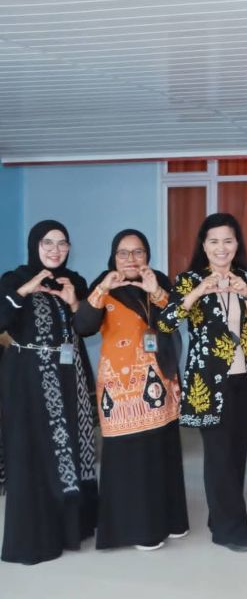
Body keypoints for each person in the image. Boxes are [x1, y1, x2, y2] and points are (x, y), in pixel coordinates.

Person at [74, 229, 189, 551]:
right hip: (120, 389)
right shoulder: (103, 284)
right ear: (114, 257)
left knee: (161, 453)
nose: (130, 259)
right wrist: (102, 290)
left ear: (147, 255)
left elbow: (175, 319)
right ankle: (140, 529)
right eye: (123, 253)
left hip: (158, 384)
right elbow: (83, 326)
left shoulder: (157, 279)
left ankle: (171, 520)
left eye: (138, 252)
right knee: (130, 459)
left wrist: (157, 292)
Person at [161, 212, 247, 552]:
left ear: (237, 244)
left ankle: (229, 516)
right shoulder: (188, 279)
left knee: (236, 453)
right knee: (219, 457)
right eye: (214, 241)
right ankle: (226, 528)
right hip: (208, 383)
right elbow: (166, 322)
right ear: (204, 246)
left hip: (244, 378)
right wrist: (198, 292)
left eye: (228, 241)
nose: (222, 248)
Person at [0, 220, 98, 564]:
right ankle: (33, 539)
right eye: (47, 243)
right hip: (27, 378)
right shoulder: (13, 279)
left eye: (62, 243)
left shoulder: (75, 281)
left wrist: (74, 303)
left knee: (69, 446)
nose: (56, 250)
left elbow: (88, 327)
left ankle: (70, 530)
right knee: (32, 451)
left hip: (69, 376)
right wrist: (24, 292)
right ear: (34, 245)